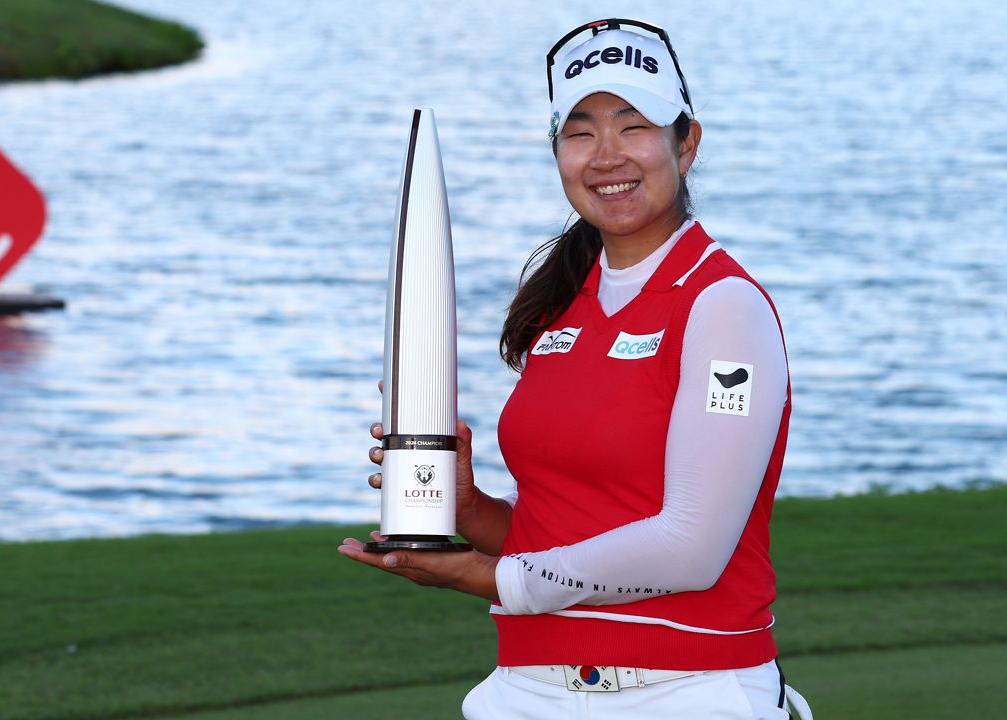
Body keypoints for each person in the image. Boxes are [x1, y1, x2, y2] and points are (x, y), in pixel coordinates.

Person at [339, 18, 812, 719]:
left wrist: (488, 576)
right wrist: (468, 511)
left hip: (686, 694)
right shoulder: (560, 310)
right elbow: (562, 537)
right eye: (580, 131)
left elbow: (692, 548)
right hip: (525, 692)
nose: (606, 156)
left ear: (687, 143)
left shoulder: (724, 307)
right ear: (557, 152)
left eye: (634, 126)